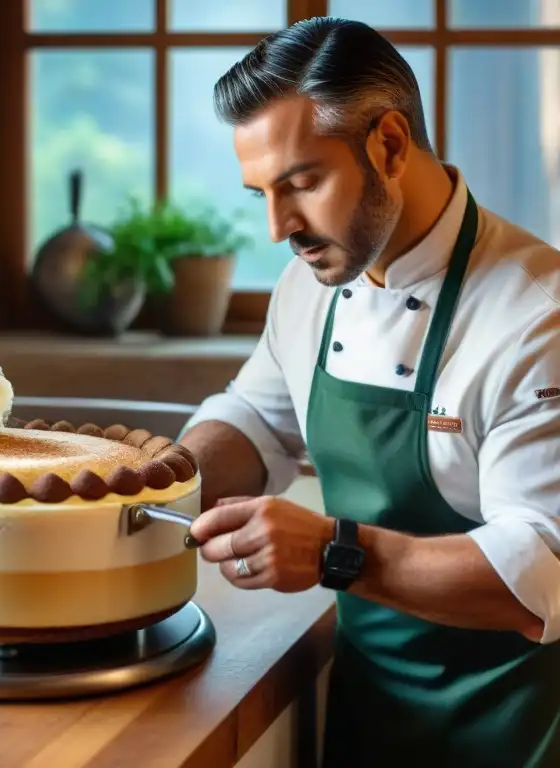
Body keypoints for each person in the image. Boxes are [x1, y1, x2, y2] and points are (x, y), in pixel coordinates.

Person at [177, 16, 560, 768]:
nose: (278, 225)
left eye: (302, 183)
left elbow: (541, 573)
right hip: (368, 717)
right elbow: (259, 417)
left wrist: (334, 552)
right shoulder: (313, 281)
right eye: (262, 192)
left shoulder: (536, 316)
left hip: (515, 734)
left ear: (387, 145)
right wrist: (161, 476)